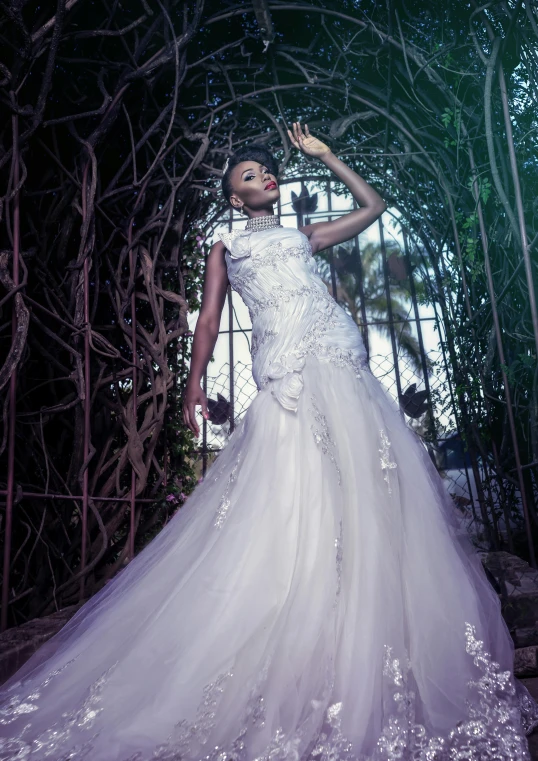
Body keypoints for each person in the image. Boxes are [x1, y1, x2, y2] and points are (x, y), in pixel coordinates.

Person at [0, 123, 537, 761]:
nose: (265, 178)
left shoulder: (304, 235)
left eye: (266, 171)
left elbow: (374, 208)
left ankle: (371, 635)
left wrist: (326, 156)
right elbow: (207, 318)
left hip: (339, 357)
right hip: (284, 372)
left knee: (366, 490)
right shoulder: (226, 245)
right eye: (249, 176)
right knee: (288, 500)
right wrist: (194, 381)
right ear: (233, 199)